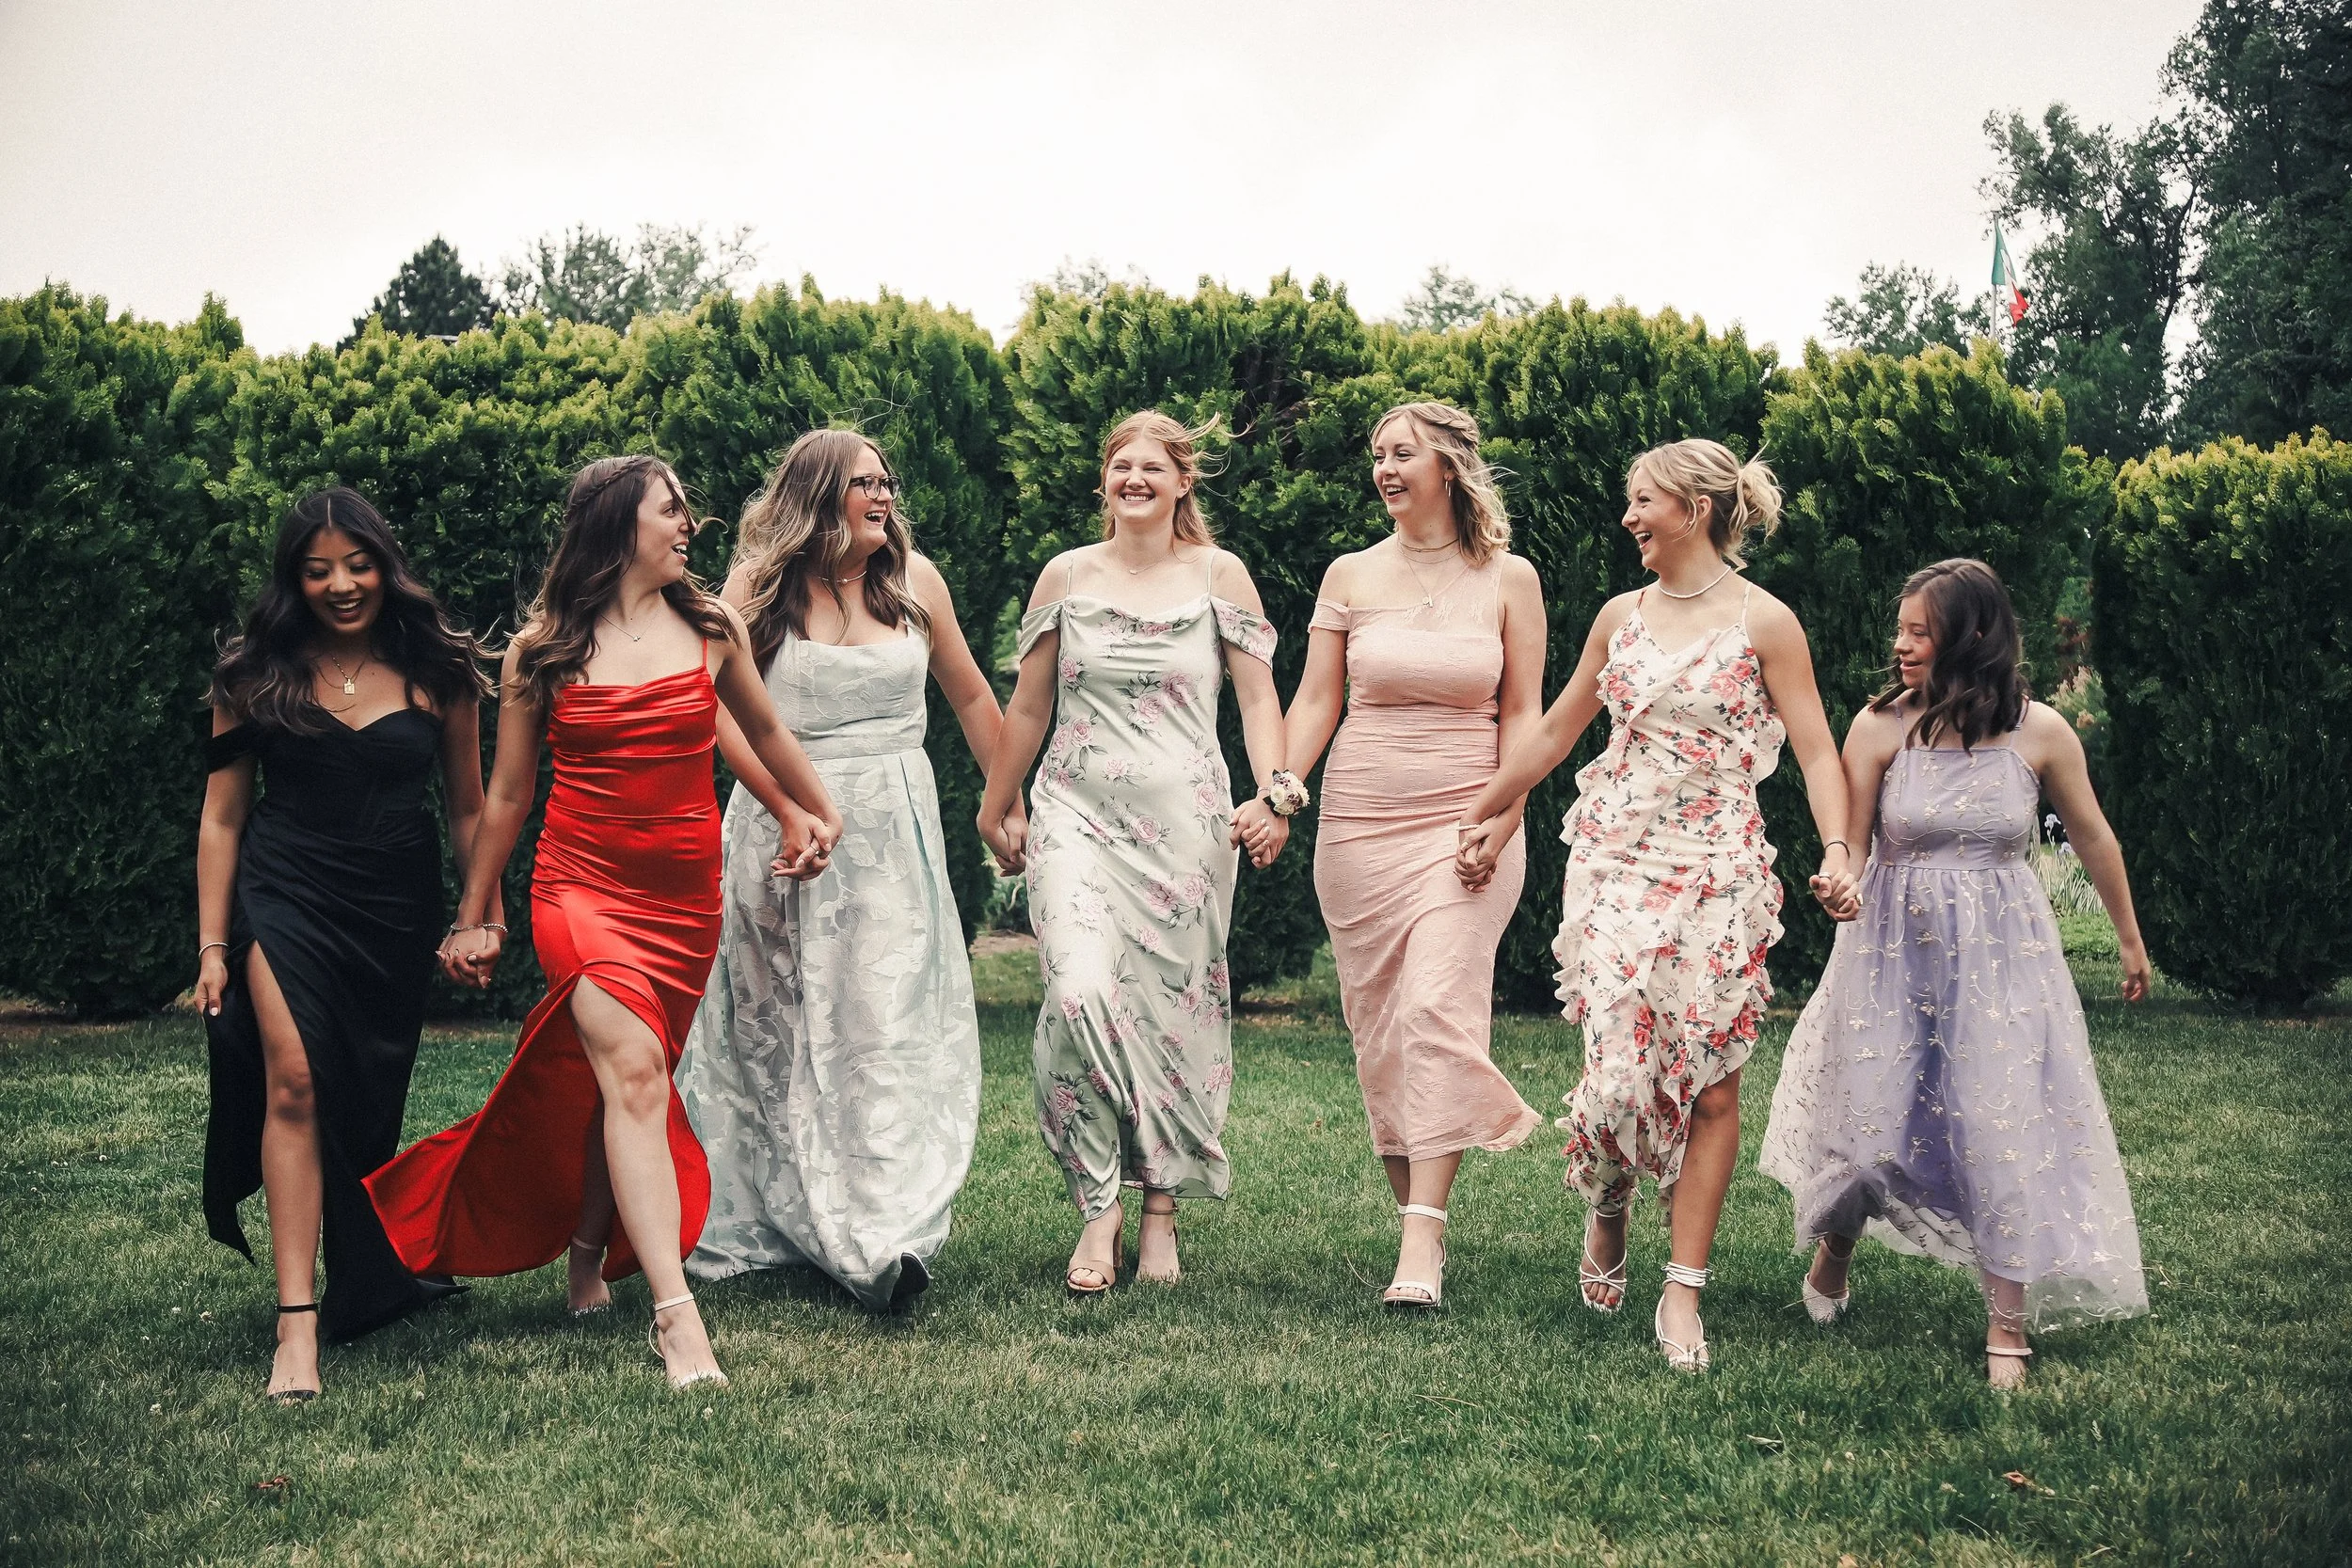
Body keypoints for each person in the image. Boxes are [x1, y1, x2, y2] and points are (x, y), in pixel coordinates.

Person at [365, 454, 840, 1391]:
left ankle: (587, 1248)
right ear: (621, 522)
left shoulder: (710, 627)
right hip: (579, 891)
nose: (688, 523)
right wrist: (476, 910)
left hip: (682, 897)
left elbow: (758, 732)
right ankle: (677, 1317)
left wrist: (810, 811)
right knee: (631, 1072)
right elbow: (505, 797)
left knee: (621, 1083)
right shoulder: (542, 649)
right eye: (672, 508)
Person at [1456, 438, 1854, 1371]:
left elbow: (1816, 750)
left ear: (1698, 506)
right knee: (1617, 1073)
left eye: (1643, 501)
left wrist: (1837, 847)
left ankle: (1683, 1290)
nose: (1629, 517)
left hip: (1719, 866)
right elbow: (1557, 728)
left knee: (1711, 1079)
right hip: (1614, 859)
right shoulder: (1618, 617)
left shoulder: (1767, 622)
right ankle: (1608, 1197)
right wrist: (1480, 810)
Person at [1759, 558, 2150, 1388]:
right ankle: (1837, 1246)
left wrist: (2128, 939)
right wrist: (1840, 880)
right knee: (1870, 1125)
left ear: (1972, 635)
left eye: (1918, 631)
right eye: (1899, 628)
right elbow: (1855, 843)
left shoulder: (2041, 732)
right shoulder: (1878, 727)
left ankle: (2006, 1323)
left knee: (1997, 1119)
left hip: (2003, 959)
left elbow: (2095, 839)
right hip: (1890, 953)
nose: (1900, 645)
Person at [675, 428, 1009, 1311]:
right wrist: (788, 808)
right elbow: (707, 709)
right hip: (784, 827)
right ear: (816, 494)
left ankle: (883, 1230)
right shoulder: (756, 589)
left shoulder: (916, 583)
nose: (884, 493)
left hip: (894, 829)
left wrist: (1007, 798)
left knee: (880, 1023)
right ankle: (783, 1216)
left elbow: (973, 696)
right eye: (863, 481)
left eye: (887, 479)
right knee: (780, 1025)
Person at [977, 410, 1289, 1296]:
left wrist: (1277, 792)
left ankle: (1159, 1210)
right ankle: (1097, 1201)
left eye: (1154, 466)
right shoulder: (1067, 575)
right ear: (1104, 481)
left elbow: (1260, 702)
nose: (1136, 477)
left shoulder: (1219, 574)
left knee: (1172, 1012)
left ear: (1183, 482)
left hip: (1186, 829)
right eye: (1121, 464)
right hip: (1074, 815)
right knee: (1077, 991)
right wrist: (996, 803)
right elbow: (1029, 708)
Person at [195, 487, 490, 1402]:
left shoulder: (437, 671)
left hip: (391, 907)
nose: (340, 584)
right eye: (317, 569)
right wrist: (212, 944)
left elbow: (472, 808)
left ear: (384, 562)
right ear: (294, 579)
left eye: (356, 563)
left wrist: (480, 911)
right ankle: (297, 1324)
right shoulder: (251, 677)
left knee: (361, 1102)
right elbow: (223, 817)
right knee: (294, 1077)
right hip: (285, 893)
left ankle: (367, 1269)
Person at [1281, 401, 1544, 1308]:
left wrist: (1504, 815)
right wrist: (1283, 785)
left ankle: (1421, 1246)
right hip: (1360, 820)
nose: (1386, 468)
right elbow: (1317, 699)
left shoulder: (1510, 579)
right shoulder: (1350, 573)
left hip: (1467, 820)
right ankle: (1417, 1222)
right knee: (1384, 1029)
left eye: (1404, 454)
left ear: (1450, 466)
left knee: (1437, 1004)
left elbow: (1524, 715)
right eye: (1378, 454)